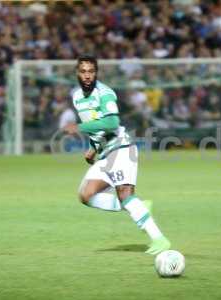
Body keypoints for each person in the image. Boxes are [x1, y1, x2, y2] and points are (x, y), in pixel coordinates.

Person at [63, 55, 171, 255]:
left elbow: (112, 123)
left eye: (91, 71)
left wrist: (78, 126)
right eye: (83, 71)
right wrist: (93, 148)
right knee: (85, 195)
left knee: (124, 194)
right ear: (77, 73)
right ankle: (137, 207)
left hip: (121, 149)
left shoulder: (105, 93)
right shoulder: (77, 97)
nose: (87, 75)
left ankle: (160, 239)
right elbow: (96, 125)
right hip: (105, 154)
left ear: (96, 73)